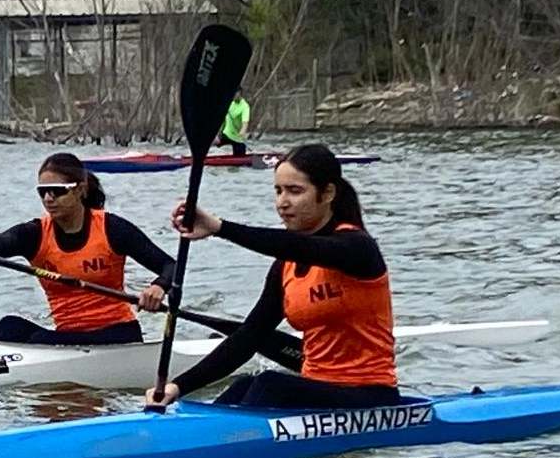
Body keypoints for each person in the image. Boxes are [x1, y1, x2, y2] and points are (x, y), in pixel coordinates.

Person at [146, 144, 399, 409]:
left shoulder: (357, 248)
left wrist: (220, 228)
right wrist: (178, 386)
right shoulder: (284, 267)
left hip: (371, 396)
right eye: (278, 191)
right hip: (316, 390)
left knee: (269, 383)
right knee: (244, 384)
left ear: (327, 194)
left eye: (295, 191)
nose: (282, 203)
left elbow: (301, 247)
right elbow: (248, 337)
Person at [0, 152, 174, 345]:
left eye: (57, 191)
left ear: (80, 190)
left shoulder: (112, 228)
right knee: (10, 326)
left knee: (38, 340)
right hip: (67, 335)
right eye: (43, 192)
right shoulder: (36, 234)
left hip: (117, 334)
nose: (48, 199)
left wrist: (158, 286)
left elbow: (170, 266)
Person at [215, 86, 251, 156]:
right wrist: (218, 132)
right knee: (212, 140)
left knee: (239, 158)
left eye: (234, 93)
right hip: (226, 134)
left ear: (239, 93)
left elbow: (245, 123)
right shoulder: (228, 103)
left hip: (238, 137)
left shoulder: (245, 106)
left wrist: (242, 131)